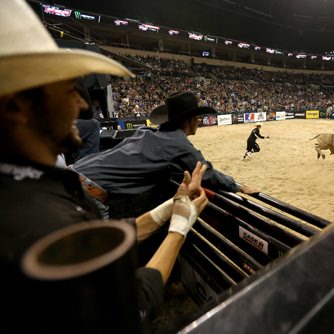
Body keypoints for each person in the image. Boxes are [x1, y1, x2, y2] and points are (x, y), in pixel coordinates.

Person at [0, 1, 208, 331]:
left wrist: (170, 208)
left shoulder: (26, 191)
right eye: (68, 89)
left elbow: (98, 238)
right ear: (16, 108)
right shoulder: (43, 223)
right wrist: (179, 229)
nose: (82, 103)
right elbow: (132, 308)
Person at [73, 90, 258, 218]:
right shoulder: (178, 145)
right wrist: (238, 186)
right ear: (190, 120)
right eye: (198, 118)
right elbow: (205, 173)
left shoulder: (146, 132)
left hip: (72, 175)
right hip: (89, 193)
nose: (199, 122)